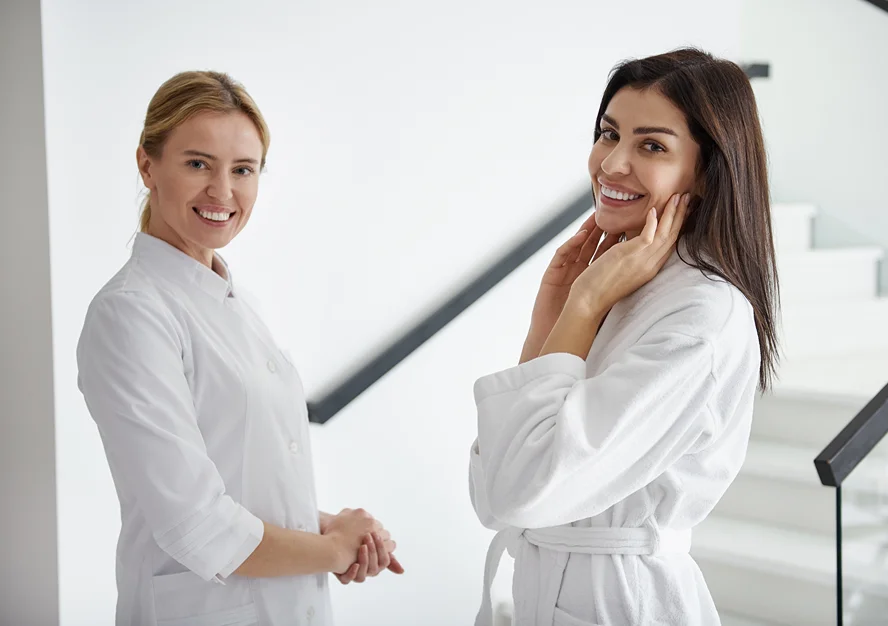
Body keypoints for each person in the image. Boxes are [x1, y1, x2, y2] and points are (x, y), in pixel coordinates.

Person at [76, 70, 402, 626]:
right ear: (147, 165)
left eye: (243, 169)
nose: (223, 192)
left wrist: (327, 525)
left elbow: (238, 485)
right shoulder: (130, 314)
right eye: (198, 163)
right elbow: (196, 524)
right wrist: (335, 550)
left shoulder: (233, 301)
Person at [469, 48, 779, 626]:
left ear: (709, 171)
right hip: (546, 588)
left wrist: (582, 305)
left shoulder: (702, 316)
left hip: (622, 603)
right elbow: (492, 494)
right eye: (609, 134)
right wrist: (552, 316)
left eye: (652, 146)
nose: (611, 164)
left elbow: (518, 490)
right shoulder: (621, 280)